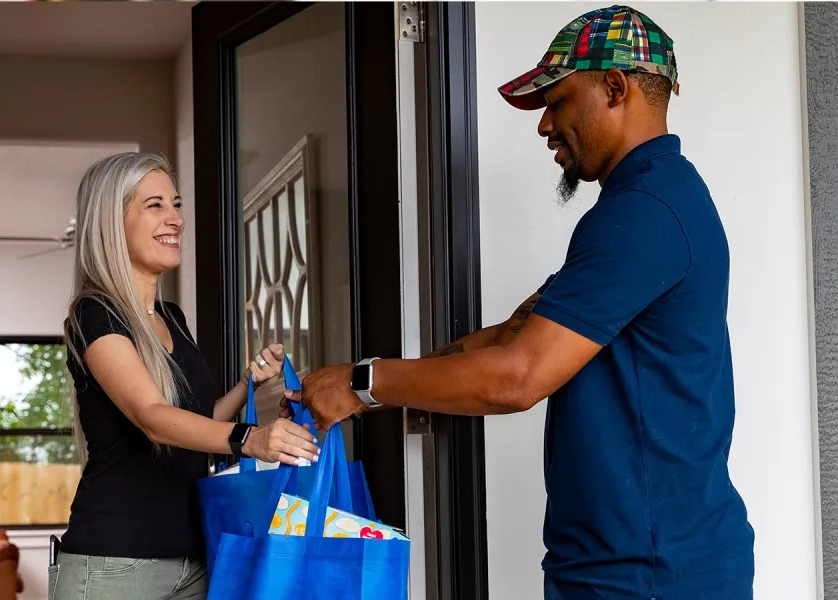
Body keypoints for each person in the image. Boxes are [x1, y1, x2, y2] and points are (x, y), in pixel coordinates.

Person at [291, 6, 754, 600]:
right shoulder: (640, 206)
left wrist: (364, 382)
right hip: (628, 566)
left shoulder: (647, 214)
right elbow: (516, 334)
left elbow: (518, 377)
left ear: (615, 88)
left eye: (557, 102)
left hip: (649, 575)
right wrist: (356, 392)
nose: (544, 126)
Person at [51, 152, 319, 600]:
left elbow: (193, 421)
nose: (175, 218)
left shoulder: (172, 317)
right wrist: (250, 438)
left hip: (194, 561)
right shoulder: (94, 314)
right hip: (113, 567)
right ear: (111, 223)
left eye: (176, 204)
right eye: (154, 205)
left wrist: (247, 385)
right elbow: (153, 417)